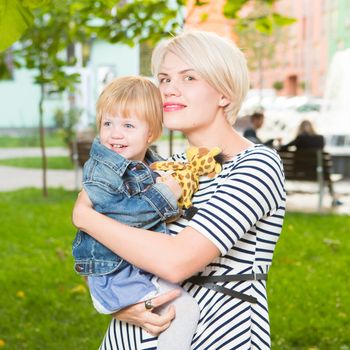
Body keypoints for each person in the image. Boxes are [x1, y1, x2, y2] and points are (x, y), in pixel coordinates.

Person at [72, 31, 286, 349]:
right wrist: (122, 304)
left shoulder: (256, 165)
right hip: (129, 338)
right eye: (164, 78)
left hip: (217, 334)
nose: (170, 89)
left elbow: (177, 261)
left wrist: (84, 216)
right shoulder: (160, 168)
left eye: (188, 78)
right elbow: (95, 257)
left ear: (224, 93)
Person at [72, 75, 199, 350]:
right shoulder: (101, 170)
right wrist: (166, 194)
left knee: (178, 310)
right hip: (116, 273)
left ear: (150, 134)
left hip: (135, 266)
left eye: (128, 125)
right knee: (183, 311)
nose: (115, 133)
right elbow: (123, 215)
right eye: (108, 123)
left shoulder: (150, 165)